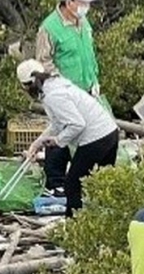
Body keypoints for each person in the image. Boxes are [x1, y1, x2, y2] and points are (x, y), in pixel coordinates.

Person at [16, 59, 119, 218]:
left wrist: (58, 141)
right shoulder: (55, 85)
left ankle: (74, 227)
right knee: (104, 182)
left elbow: (77, 124)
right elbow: (57, 123)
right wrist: (37, 144)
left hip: (96, 137)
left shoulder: (53, 95)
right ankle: (106, 221)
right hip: (110, 131)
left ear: (27, 85)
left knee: (73, 183)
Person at [36, 0, 102, 194]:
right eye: (82, 2)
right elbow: (43, 60)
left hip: (88, 87)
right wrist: (59, 83)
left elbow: (89, 54)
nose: (86, 6)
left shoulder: (83, 22)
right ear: (69, 1)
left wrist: (95, 80)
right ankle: (54, 181)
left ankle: (88, 177)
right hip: (65, 89)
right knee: (62, 129)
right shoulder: (49, 28)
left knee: (90, 132)